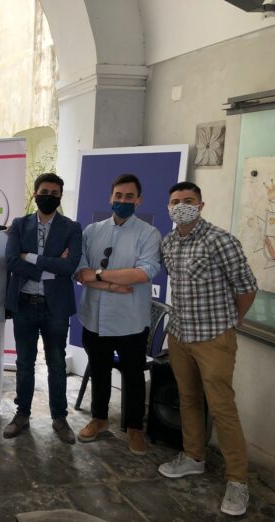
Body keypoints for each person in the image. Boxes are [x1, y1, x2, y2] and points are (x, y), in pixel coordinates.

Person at [158, 182, 257, 517]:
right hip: (180, 335)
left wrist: (231, 322)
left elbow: (247, 288)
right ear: (168, 207)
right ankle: (193, 456)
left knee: (221, 406)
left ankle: (238, 480)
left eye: (188, 200)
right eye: (175, 201)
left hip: (214, 337)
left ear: (200, 205)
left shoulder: (220, 240)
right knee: (188, 398)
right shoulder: (168, 242)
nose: (181, 206)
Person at [74, 173, 161, 455]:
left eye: (129, 196)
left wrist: (99, 274)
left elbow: (143, 273)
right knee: (99, 371)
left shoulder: (148, 234)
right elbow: (81, 273)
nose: (123, 200)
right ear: (110, 197)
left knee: (133, 376)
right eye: (118, 196)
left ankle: (134, 428)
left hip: (130, 321)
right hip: (94, 317)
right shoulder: (92, 231)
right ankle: (99, 419)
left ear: (139, 200)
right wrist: (112, 284)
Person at [4, 173, 82, 443]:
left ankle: (59, 418)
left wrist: (31, 257)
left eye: (54, 193)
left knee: (57, 363)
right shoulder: (19, 224)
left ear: (60, 196)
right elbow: (11, 261)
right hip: (24, 305)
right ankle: (22, 414)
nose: (49, 196)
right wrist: (50, 268)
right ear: (35, 194)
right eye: (44, 191)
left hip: (55, 307)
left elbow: (69, 266)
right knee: (24, 363)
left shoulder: (72, 228)